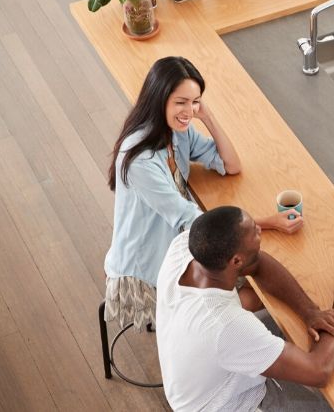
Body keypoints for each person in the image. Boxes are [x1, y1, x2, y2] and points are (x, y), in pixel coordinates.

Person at [104, 56, 303, 331]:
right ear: (159, 99)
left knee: (257, 278)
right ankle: (209, 342)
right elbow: (192, 221)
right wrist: (267, 223)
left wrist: (206, 116)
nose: (189, 110)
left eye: (195, 101)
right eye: (180, 102)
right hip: (147, 269)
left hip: (177, 242)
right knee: (251, 289)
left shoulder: (176, 131)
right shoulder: (140, 159)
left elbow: (231, 165)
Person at [156, 206, 334, 411]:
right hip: (226, 404)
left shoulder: (186, 246)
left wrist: (311, 312)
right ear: (236, 260)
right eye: (254, 231)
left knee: (281, 322)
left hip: (201, 374)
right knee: (332, 404)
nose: (260, 231)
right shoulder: (226, 324)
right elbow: (318, 371)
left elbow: (257, 263)